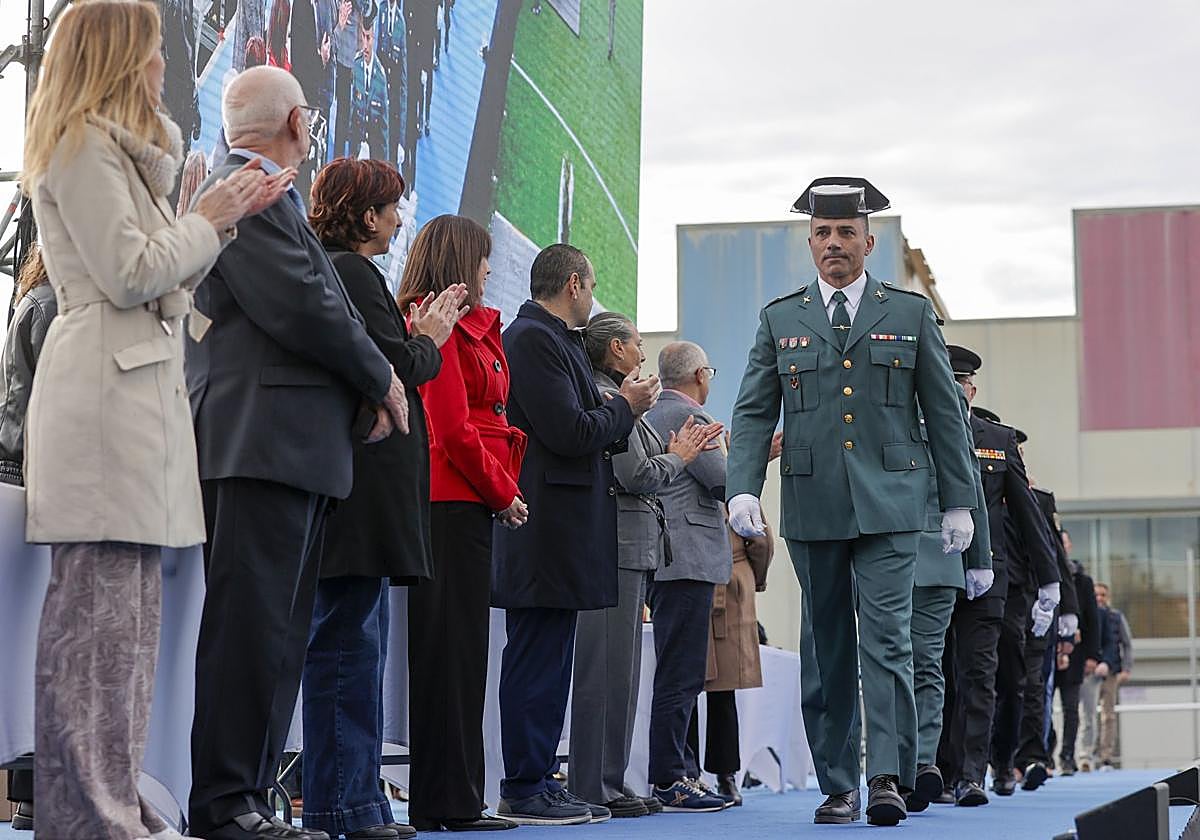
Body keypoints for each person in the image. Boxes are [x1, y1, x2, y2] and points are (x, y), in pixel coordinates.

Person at [22, 3, 282, 836]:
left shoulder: (114, 155)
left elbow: (163, 284)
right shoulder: (80, 144)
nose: (164, 63)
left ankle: (110, 800)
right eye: (155, 47)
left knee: (127, 631)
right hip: (104, 394)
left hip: (131, 394)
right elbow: (134, 271)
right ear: (120, 53)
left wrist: (212, 218)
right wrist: (210, 217)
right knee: (97, 627)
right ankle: (90, 810)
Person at [186, 66, 410, 840]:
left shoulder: (261, 188)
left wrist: (363, 392)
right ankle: (224, 803)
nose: (312, 129)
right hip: (260, 444)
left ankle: (245, 799)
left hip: (290, 445)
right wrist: (381, 377)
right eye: (308, 116)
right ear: (292, 122)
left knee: (276, 639)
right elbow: (303, 304)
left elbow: (315, 305)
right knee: (250, 633)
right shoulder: (243, 190)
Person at [725, 177, 979, 827]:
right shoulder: (781, 319)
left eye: (845, 233)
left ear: (869, 242)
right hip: (814, 504)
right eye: (822, 234)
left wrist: (960, 502)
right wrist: (744, 486)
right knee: (827, 644)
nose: (834, 243)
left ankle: (887, 776)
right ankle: (839, 784)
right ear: (809, 243)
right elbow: (754, 410)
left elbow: (945, 417)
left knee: (889, 641)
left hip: (894, 503)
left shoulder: (910, 314)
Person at [302, 159, 466, 840]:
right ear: (365, 215)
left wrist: (415, 339)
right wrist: (427, 338)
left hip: (361, 494)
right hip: (361, 495)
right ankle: (347, 805)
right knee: (347, 649)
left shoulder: (341, 272)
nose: (399, 221)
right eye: (391, 208)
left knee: (354, 646)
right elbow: (394, 368)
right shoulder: (352, 273)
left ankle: (355, 800)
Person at [492, 244, 660, 825]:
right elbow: (568, 430)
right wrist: (626, 408)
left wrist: (615, 412)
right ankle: (524, 783)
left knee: (550, 658)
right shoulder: (533, 338)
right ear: (573, 284)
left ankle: (537, 777)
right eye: (590, 285)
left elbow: (586, 428)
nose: (593, 295)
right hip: (547, 529)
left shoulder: (553, 341)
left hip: (564, 529)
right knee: (537, 657)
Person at [400, 214, 527, 833]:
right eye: (482, 257)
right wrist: (504, 490)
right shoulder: (441, 324)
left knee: (462, 653)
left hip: (466, 502)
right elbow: (451, 427)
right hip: (450, 502)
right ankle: (447, 798)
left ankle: (455, 795)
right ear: (458, 260)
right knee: (449, 653)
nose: (487, 267)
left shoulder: (464, 325)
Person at [568, 313, 720, 819]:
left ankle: (609, 780)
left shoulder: (623, 402)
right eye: (635, 343)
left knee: (623, 674)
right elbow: (635, 473)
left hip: (635, 548)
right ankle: (596, 782)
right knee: (606, 671)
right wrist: (678, 457)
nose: (641, 352)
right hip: (617, 545)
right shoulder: (614, 400)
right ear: (615, 349)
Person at [643, 342, 735, 813]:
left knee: (675, 671)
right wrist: (750, 453)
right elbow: (724, 482)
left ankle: (678, 770)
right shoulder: (692, 419)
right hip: (688, 560)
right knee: (681, 674)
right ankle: (671, 778)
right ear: (702, 374)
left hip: (662, 558)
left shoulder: (651, 414)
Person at [906, 393, 992, 811]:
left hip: (939, 550)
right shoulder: (864, 379)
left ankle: (921, 762)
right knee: (886, 662)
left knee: (926, 661)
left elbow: (967, 472)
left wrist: (979, 558)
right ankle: (889, 764)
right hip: (879, 550)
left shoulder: (947, 396)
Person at [0, 245, 56, 834]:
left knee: (33, 642)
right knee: (52, 640)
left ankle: (29, 795)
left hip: (20, 476)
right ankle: (37, 791)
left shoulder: (30, 302)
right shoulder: (54, 306)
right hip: (41, 477)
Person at [685, 507, 779, 808]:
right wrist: (757, 579)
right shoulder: (732, 479)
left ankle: (685, 772)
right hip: (733, 582)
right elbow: (762, 541)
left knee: (683, 685)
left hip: (690, 578)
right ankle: (726, 776)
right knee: (723, 691)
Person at [1013, 473, 1079, 787]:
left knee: (1035, 684)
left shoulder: (1040, 499)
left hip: (1035, 601)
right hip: (992, 598)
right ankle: (999, 760)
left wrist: (1067, 608)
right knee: (998, 683)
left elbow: (1054, 553)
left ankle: (1032, 758)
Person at [1052, 530, 1099, 776]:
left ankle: (1067, 757)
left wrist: (1093, 655)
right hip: (1046, 652)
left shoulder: (1082, 581)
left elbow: (1093, 620)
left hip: (1076, 654)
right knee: (1040, 706)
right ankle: (1043, 756)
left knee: (1071, 708)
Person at [1092, 583, 1133, 769]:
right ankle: (1088, 754)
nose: (1099, 598)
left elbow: (1126, 643)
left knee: (1108, 715)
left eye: (1102, 595)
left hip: (1111, 672)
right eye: (1096, 594)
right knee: (1088, 715)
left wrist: (1126, 668)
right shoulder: (1087, 616)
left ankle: (1105, 755)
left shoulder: (1116, 617)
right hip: (1090, 672)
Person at [350, 0, 389, 159]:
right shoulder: (356, 66)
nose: (365, 45)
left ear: (375, 38)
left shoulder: (380, 77)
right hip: (356, 149)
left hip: (374, 153)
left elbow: (384, 128)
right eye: (363, 37)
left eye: (369, 38)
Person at [376, 0, 407, 165]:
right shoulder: (379, 11)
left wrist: (401, 139)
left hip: (393, 99)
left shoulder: (400, 24)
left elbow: (403, 84)